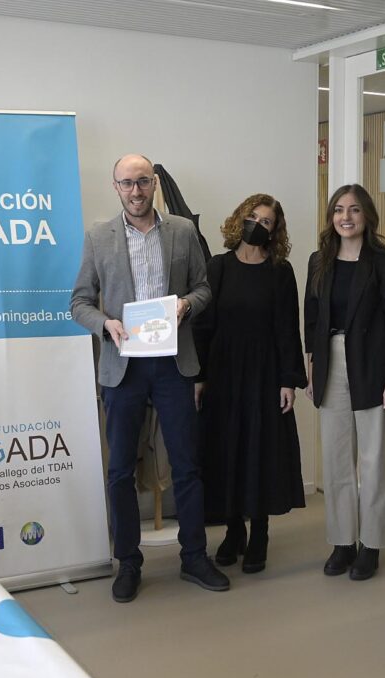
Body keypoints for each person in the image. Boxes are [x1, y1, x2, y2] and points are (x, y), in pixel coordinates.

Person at [71, 153, 229, 602]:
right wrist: (106, 324)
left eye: (142, 181)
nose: (135, 191)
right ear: (116, 187)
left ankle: (194, 556)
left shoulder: (182, 230)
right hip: (123, 366)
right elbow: (79, 302)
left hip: (174, 364)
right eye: (127, 183)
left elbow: (204, 288)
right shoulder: (99, 237)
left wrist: (187, 305)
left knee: (187, 465)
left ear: (154, 183)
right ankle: (128, 562)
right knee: (120, 469)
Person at [193, 194, 307, 574]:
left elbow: (288, 328)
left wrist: (289, 381)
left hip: (264, 374)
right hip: (223, 372)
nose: (258, 224)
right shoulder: (218, 266)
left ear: (275, 231)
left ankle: (259, 532)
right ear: (241, 218)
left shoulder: (280, 271)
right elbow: (204, 326)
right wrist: (200, 377)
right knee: (227, 449)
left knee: (261, 450)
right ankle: (233, 531)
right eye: (254, 216)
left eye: (267, 221)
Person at [304, 184, 385, 581]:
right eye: (338, 210)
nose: (345, 217)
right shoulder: (319, 261)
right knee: (336, 459)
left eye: (353, 210)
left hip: (374, 363)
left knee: (373, 459)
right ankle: (343, 541)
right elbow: (311, 320)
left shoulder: (383, 261)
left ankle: (372, 544)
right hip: (330, 361)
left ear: (367, 216)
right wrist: (312, 370)